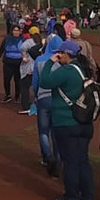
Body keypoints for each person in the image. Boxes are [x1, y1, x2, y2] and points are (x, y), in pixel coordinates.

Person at [40, 41, 94, 200]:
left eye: (61, 53)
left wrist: (50, 61)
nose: (59, 55)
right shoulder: (83, 69)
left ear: (66, 54)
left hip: (66, 122)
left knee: (70, 162)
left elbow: (45, 81)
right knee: (82, 161)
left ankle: (71, 198)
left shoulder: (67, 71)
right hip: (84, 123)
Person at [31, 35, 63, 175]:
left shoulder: (40, 60)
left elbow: (35, 81)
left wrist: (37, 96)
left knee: (43, 131)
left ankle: (47, 156)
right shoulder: (64, 61)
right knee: (56, 131)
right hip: (58, 99)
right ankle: (57, 159)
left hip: (43, 98)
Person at [0, 25, 25, 104]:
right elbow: (1, 48)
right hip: (8, 62)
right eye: (14, 30)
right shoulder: (7, 39)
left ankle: (17, 96)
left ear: (20, 32)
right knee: (6, 80)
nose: (16, 32)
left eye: (17, 31)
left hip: (18, 62)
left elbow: (27, 50)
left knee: (17, 80)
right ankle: (7, 95)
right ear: (12, 31)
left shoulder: (23, 40)